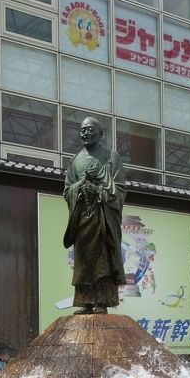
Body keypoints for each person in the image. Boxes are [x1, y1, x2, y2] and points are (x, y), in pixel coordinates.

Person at [63, 117, 126, 314]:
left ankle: (102, 301)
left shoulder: (111, 157)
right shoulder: (75, 160)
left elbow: (120, 190)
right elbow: (67, 191)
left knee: (103, 261)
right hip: (84, 217)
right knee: (83, 263)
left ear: (100, 133)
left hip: (103, 218)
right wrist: (81, 186)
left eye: (90, 130)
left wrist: (99, 189)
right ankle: (85, 301)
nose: (86, 133)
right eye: (82, 130)